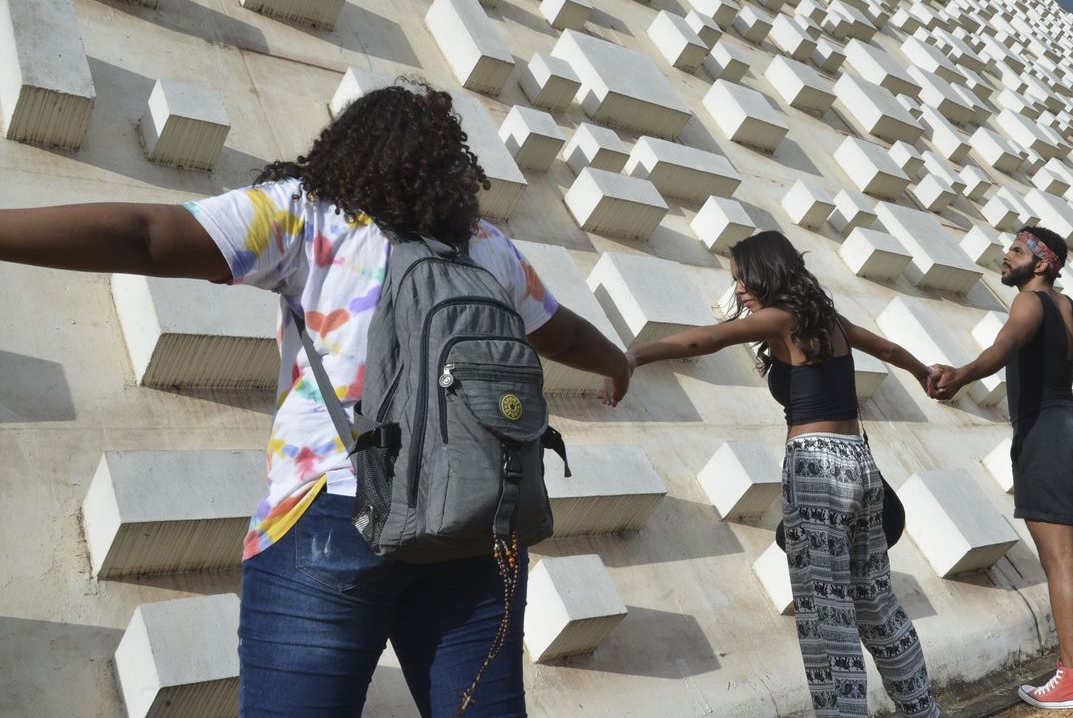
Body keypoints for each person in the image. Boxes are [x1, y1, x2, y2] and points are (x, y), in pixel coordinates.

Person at [0, 83, 634, 715]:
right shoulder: (486, 246)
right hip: (477, 520)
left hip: (333, 511)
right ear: (451, 164)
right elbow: (565, 331)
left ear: (346, 148)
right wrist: (616, 363)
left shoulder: (309, 214)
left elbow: (148, 235)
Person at [618, 230, 942, 718]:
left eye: (743, 279)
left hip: (814, 468)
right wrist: (926, 373)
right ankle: (923, 710)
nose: (739, 291)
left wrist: (633, 356)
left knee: (824, 611)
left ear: (768, 271)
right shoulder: (828, 319)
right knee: (877, 602)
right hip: (860, 464)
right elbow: (891, 351)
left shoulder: (780, 319)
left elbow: (707, 338)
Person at [930, 227, 1073, 709]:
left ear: (1042, 263)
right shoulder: (1071, 309)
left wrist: (960, 375)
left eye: (1016, 251)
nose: (1005, 256)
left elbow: (1004, 347)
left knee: (1059, 558)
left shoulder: (1029, 302)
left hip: (1044, 434)